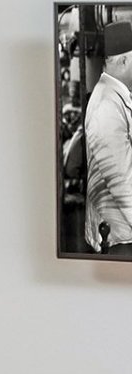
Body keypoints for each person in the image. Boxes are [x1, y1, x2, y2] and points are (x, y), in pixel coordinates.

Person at [84, 20, 132, 254]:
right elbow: (123, 182)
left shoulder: (115, 97)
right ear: (124, 60)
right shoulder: (106, 105)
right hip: (119, 239)